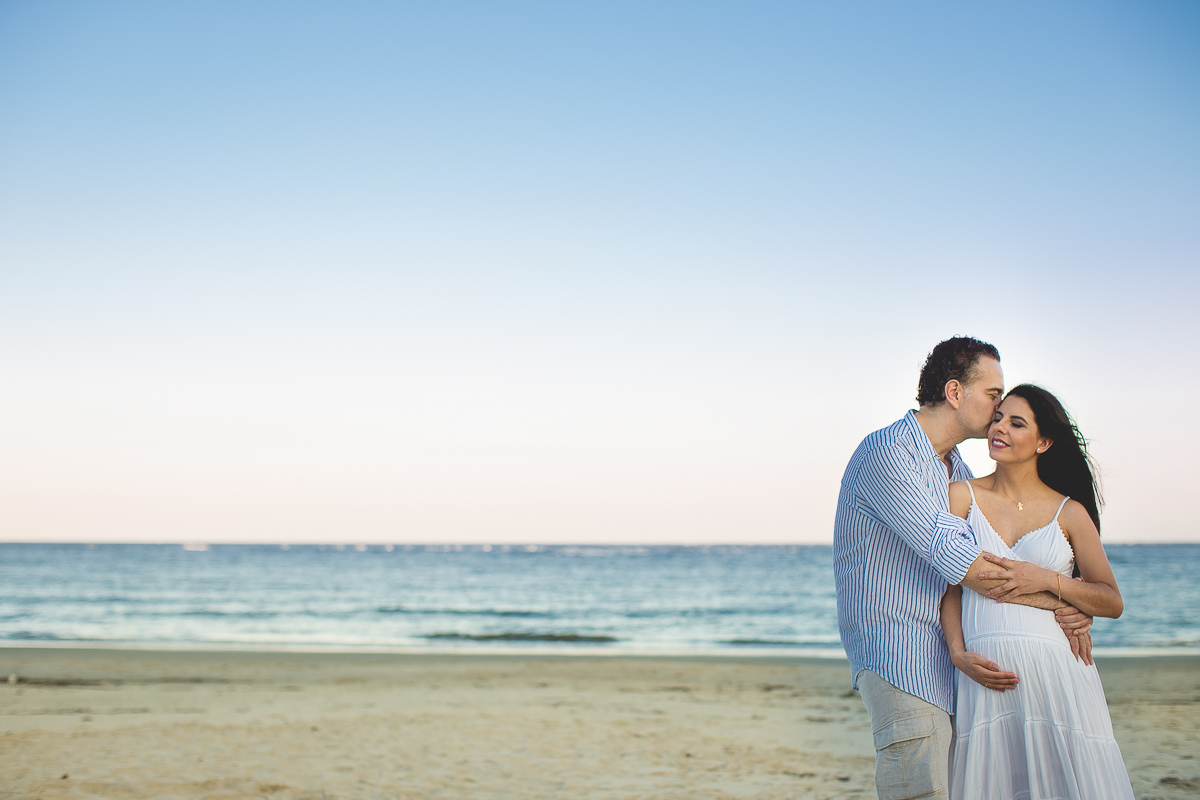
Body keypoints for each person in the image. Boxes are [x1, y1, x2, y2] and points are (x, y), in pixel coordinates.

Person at [833, 337, 1093, 800]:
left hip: (951, 664)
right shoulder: (889, 455)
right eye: (993, 394)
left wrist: (1070, 600)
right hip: (903, 658)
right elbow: (964, 564)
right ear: (955, 393)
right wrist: (1061, 601)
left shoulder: (955, 469)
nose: (999, 407)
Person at [941, 384, 1133, 799]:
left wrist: (1049, 581)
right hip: (985, 678)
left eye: (1016, 422)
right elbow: (948, 588)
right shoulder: (961, 496)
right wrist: (957, 652)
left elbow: (1111, 600)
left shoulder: (1070, 512)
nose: (1000, 428)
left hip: (1059, 677)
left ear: (1043, 441)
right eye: (997, 418)